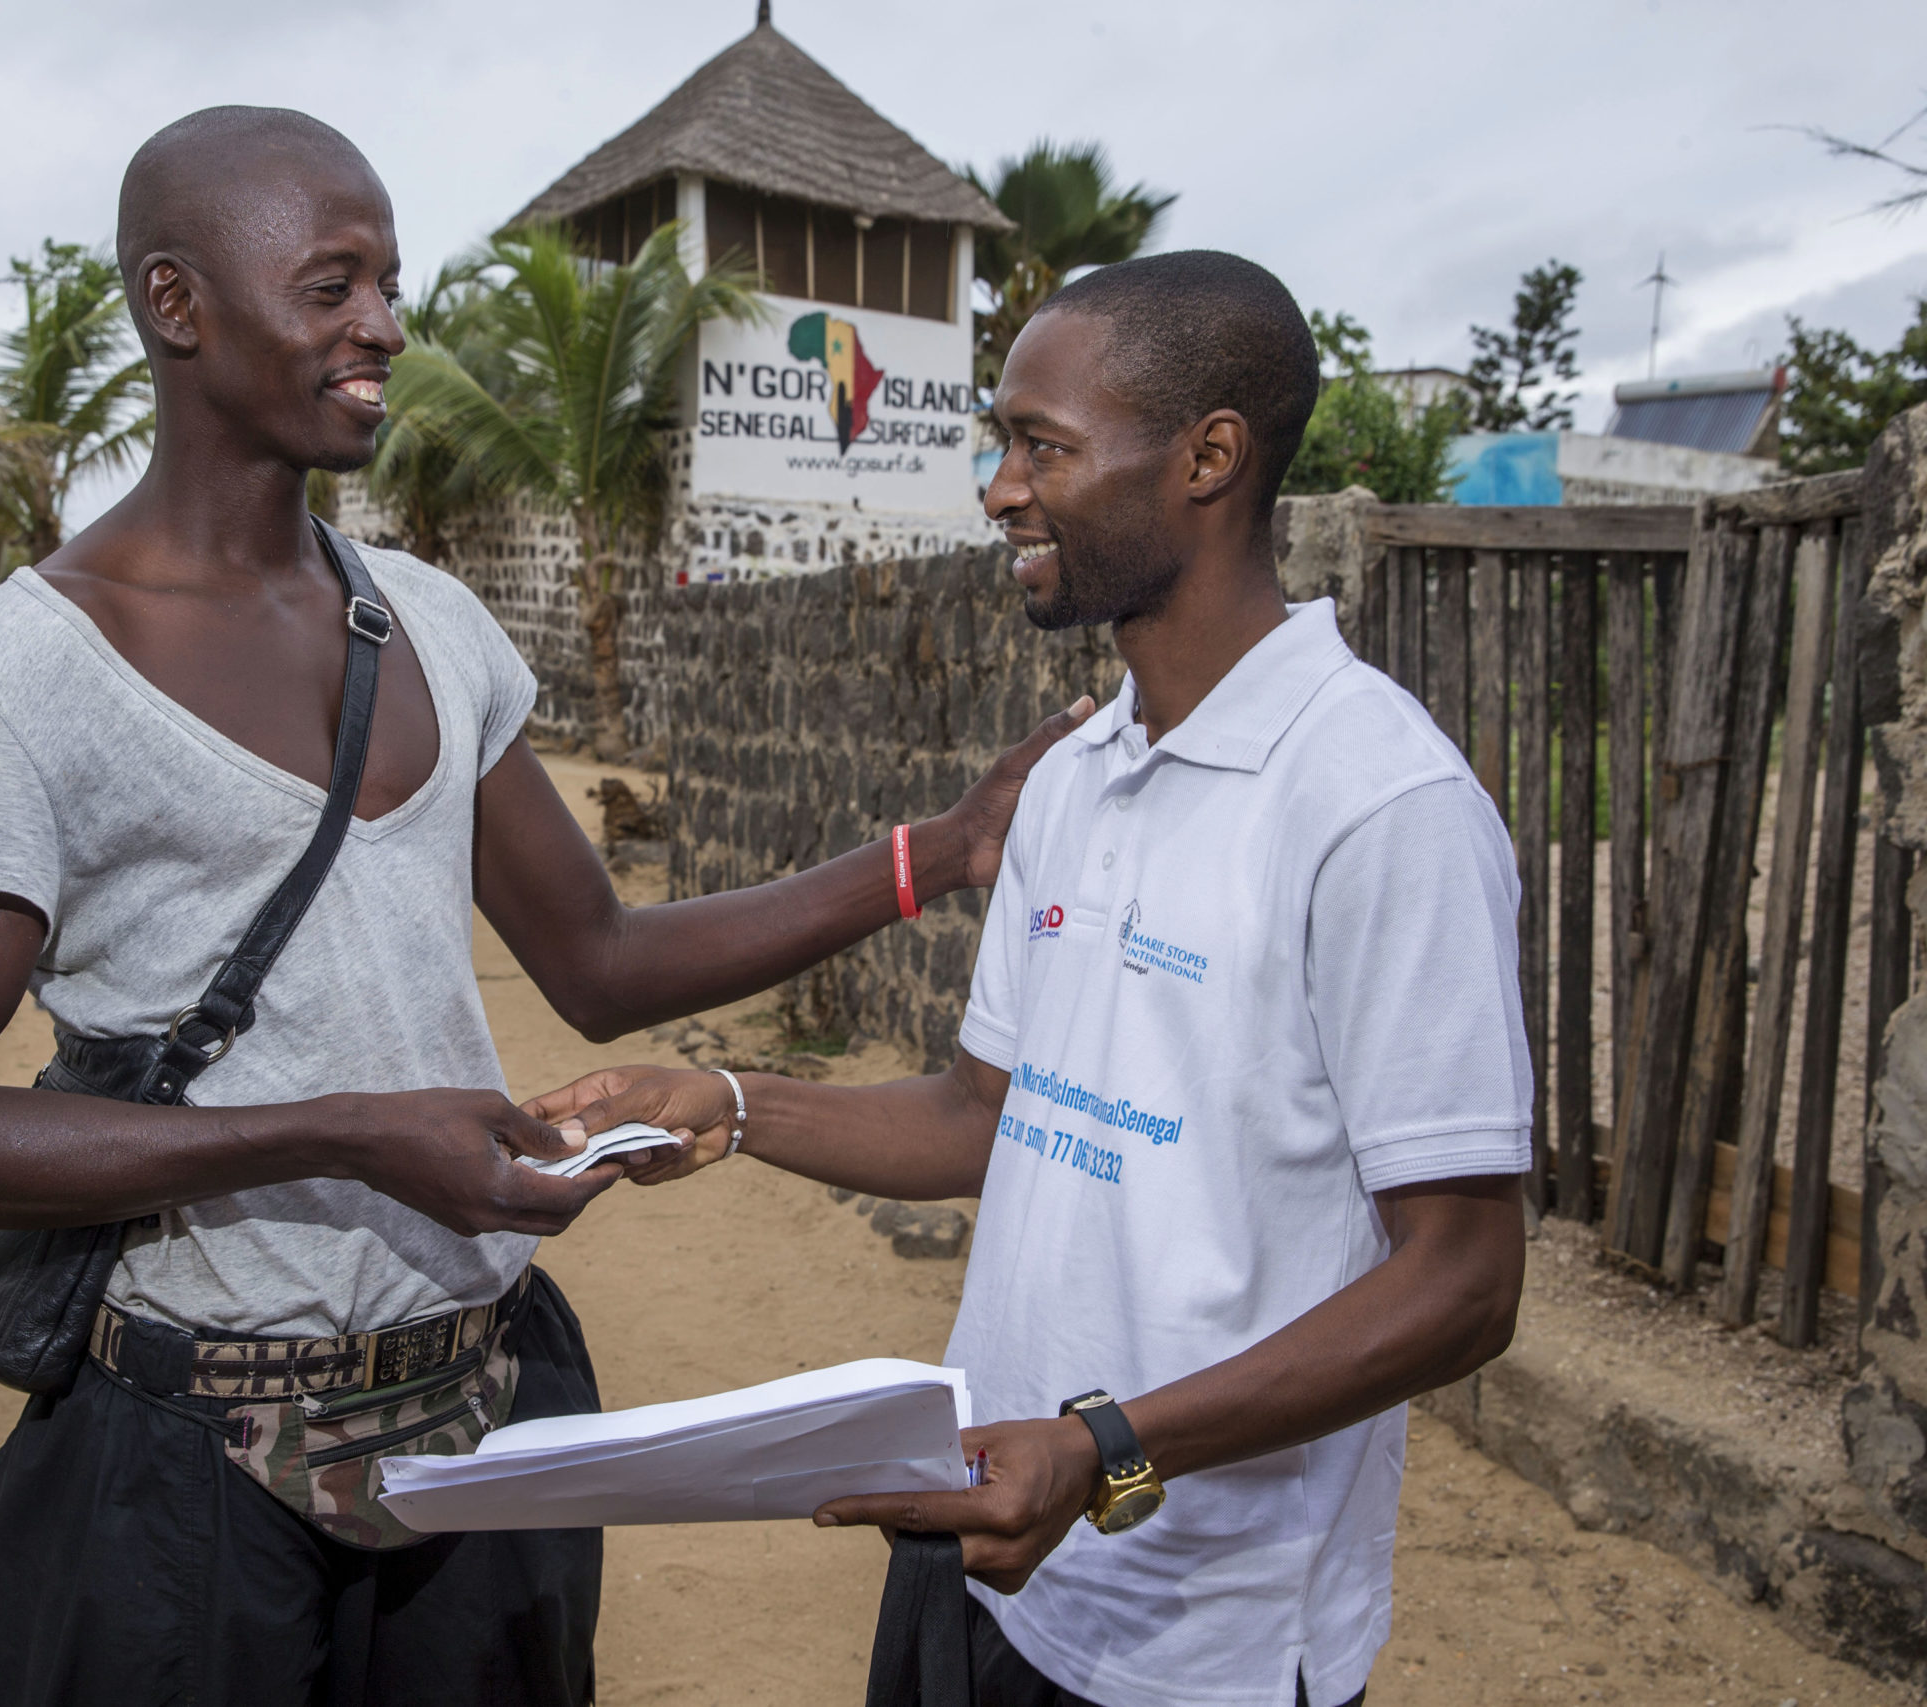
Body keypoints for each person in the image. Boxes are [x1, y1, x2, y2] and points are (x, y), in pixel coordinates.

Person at [0, 106, 1075, 1707]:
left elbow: (602, 963)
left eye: (389, 285)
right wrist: (336, 1132)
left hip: (487, 1437)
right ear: (176, 304)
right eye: (332, 286)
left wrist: (938, 853)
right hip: (187, 1469)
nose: (386, 329)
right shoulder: (13, 681)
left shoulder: (427, 623)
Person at [531, 250, 1532, 1707]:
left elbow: (1465, 1283)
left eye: (1041, 445)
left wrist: (1109, 1446)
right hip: (984, 1549)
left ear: (1208, 458)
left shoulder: (1380, 806)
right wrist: (731, 1102)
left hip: (1205, 1643)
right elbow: (985, 1111)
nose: (1000, 488)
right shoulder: (1074, 775)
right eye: (1004, 445)